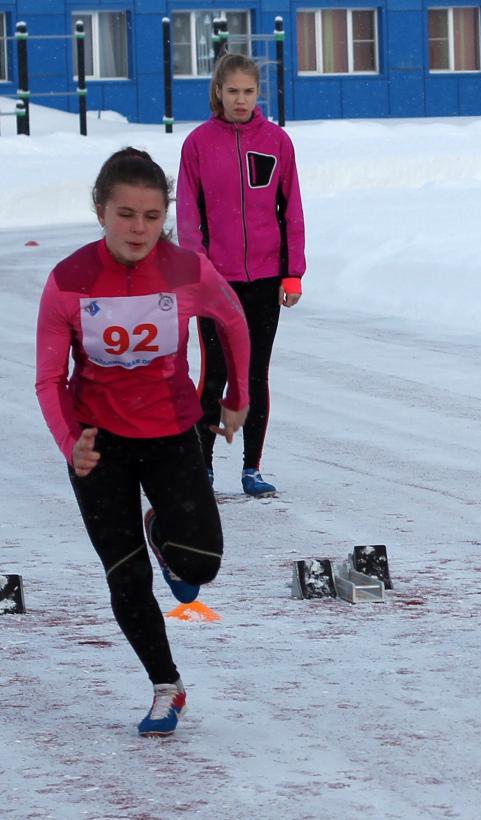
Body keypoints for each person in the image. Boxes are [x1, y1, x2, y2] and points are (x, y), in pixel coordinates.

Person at [36, 148, 252, 736]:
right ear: (101, 211)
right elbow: (49, 378)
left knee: (199, 566)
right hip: (98, 442)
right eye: (126, 214)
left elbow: (232, 322)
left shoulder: (187, 270)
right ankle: (166, 686)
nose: (138, 229)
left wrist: (239, 396)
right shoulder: (68, 281)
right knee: (125, 576)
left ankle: (162, 530)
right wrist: (70, 443)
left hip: (172, 431)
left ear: (166, 216)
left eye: (152, 216)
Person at [177, 52, 306, 498]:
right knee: (214, 375)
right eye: (232, 91)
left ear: (258, 94)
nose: (240, 100)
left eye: (248, 92)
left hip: (266, 278)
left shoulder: (277, 142)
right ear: (218, 91)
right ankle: (203, 467)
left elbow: (292, 212)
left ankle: (252, 468)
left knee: (254, 376)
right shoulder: (197, 144)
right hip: (216, 282)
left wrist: (293, 273)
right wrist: (197, 272)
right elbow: (189, 213)